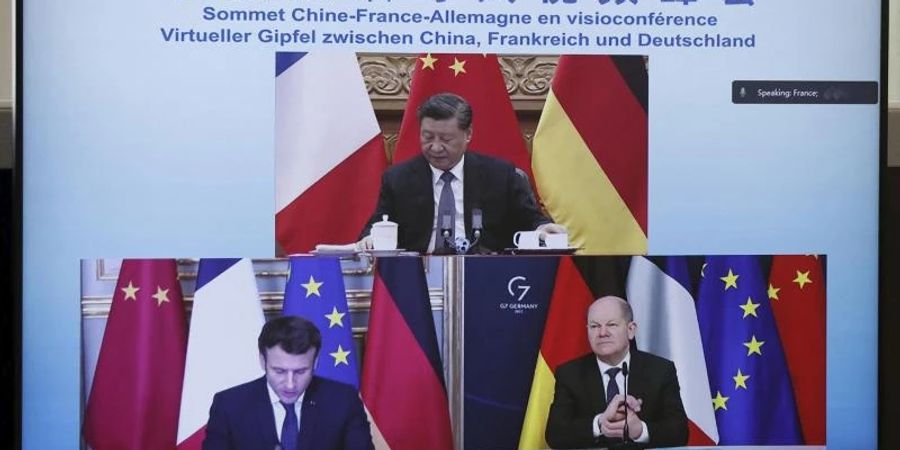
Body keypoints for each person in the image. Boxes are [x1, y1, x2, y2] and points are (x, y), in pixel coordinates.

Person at [358, 92, 566, 254]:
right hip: (418, 277)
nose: (436, 147)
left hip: (488, 274)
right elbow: (377, 225)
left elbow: (531, 220)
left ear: (468, 134)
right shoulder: (398, 178)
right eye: (427, 137)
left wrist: (543, 228)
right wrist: (370, 238)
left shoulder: (500, 175)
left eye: (446, 140)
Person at [203, 316, 374, 450]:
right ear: (263, 361)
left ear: (315, 363)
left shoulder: (344, 401)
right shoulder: (229, 405)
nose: (290, 384)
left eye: (300, 372)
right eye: (280, 371)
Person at [545, 296, 688, 449]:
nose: (602, 333)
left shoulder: (660, 370)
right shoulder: (570, 374)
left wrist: (640, 430)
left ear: (631, 330)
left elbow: (679, 432)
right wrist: (600, 423)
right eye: (594, 326)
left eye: (611, 325)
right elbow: (555, 435)